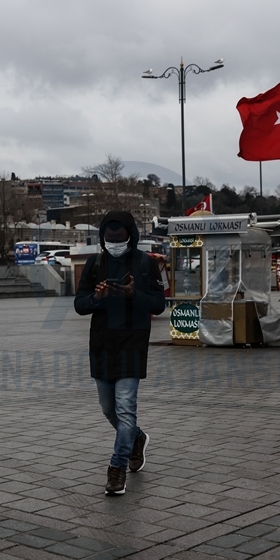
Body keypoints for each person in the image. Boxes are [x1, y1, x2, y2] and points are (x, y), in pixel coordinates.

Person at [74, 211, 167, 496]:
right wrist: (97, 298)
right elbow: (80, 304)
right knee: (108, 409)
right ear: (102, 237)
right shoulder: (94, 263)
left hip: (132, 344)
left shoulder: (145, 264)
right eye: (108, 238)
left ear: (130, 236)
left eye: (119, 237)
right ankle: (137, 438)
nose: (113, 242)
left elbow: (158, 305)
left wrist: (132, 294)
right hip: (101, 345)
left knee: (126, 409)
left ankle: (117, 468)